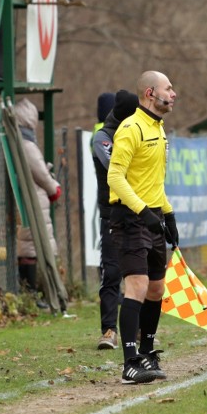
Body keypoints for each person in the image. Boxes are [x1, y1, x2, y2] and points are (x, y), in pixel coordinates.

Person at [107, 71, 178, 385]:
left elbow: (154, 182)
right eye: (168, 88)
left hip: (153, 218)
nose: (173, 94)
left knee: (157, 288)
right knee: (136, 286)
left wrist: (168, 214)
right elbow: (115, 178)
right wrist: (142, 211)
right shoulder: (131, 127)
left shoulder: (159, 129)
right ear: (151, 92)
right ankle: (130, 363)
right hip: (131, 219)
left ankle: (147, 352)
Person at [92, 90, 138, 350]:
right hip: (112, 213)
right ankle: (109, 330)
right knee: (111, 272)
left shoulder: (136, 131)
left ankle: (140, 328)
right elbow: (119, 172)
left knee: (139, 274)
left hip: (139, 212)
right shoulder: (103, 137)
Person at [14, 98, 61, 309]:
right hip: (34, 199)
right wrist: (53, 188)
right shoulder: (27, 144)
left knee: (29, 246)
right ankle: (31, 294)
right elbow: (40, 172)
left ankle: (31, 293)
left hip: (30, 198)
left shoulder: (18, 140)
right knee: (30, 247)